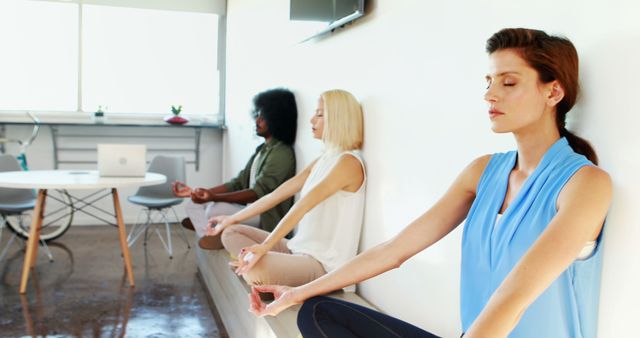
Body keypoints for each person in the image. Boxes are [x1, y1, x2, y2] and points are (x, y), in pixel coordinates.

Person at [247, 28, 612, 338]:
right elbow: (393, 250)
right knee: (318, 311)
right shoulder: (483, 172)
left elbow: (514, 296)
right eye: (489, 82)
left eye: (509, 82)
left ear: (553, 93)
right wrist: (294, 293)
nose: (490, 94)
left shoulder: (585, 183)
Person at [207, 89, 366, 289]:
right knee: (230, 233)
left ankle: (256, 270)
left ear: (337, 119)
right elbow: (275, 195)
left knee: (256, 268)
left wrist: (265, 247)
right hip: (296, 248)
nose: (311, 120)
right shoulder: (324, 159)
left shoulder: (348, 163)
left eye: (318, 114)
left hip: (322, 265)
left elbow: (302, 206)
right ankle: (258, 269)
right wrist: (231, 219)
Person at [172, 88, 297, 250]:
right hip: (250, 208)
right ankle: (210, 233)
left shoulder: (282, 153)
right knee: (193, 204)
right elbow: (237, 182)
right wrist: (197, 193)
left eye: (263, 117)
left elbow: (257, 193)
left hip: (264, 217)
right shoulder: (263, 149)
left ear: (276, 119)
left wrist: (212, 197)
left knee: (214, 208)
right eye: (257, 115)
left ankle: (210, 231)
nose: (257, 121)